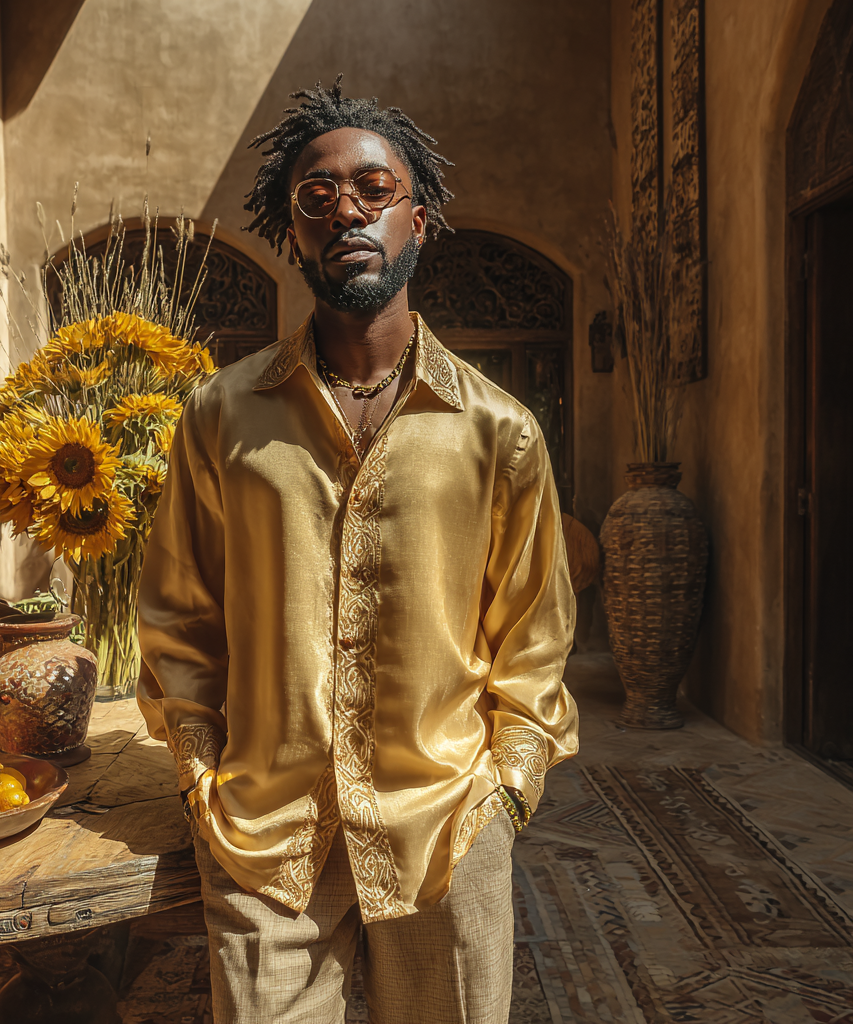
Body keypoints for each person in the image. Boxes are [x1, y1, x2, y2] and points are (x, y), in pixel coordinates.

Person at [137, 75, 579, 1024]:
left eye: (375, 189)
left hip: (446, 834)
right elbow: (178, 614)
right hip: (265, 841)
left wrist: (505, 794)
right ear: (292, 234)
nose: (346, 210)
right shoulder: (220, 416)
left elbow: (535, 640)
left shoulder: (498, 431)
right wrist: (200, 774)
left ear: (418, 220)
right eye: (317, 195)